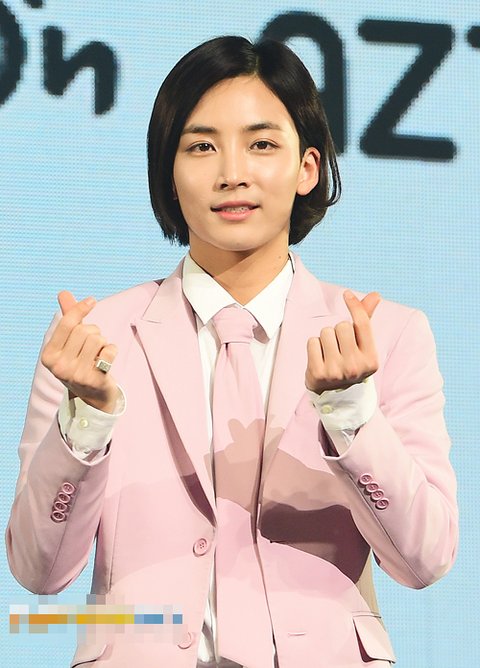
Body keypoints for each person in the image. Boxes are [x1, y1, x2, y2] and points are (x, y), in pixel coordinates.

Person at [6, 36, 458, 668]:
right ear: (169, 172)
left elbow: (424, 560)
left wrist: (353, 417)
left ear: (307, 168)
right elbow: (38, 570)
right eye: (201, 146)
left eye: (261, 144)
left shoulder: (385, 336)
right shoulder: (94, 340)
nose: (232, 172)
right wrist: (85, 424)